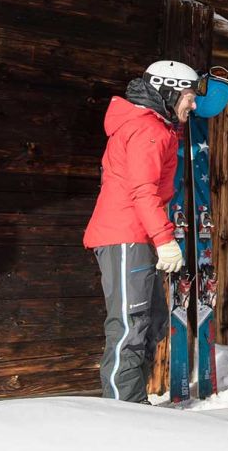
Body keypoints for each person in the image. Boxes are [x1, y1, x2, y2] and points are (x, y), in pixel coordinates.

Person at [82, 60, 197, 401]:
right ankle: (123, 411)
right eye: (189, 97)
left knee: (152, 321)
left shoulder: (158, 128)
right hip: (125, 235)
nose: (193, 105)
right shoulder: (147, 129)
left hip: (139, 235)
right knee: (130, 324)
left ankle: (136, 403)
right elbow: (143, 191)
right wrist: (165, 240)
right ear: (168, 90)